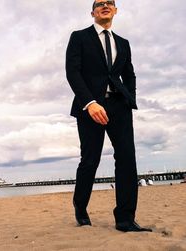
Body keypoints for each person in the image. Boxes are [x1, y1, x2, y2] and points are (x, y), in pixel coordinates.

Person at [65, 0, 152, 232]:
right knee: (90, 160)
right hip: (90, 107)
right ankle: (80, 207)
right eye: (100, 3)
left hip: (119, 106)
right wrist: (90, 103)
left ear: (115, 10)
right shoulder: (79, 37)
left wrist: (129, 98)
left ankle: (125, 219)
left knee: (126, 160)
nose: (105, 5)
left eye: (109, 3)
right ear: (92, 12)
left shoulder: (123, 43)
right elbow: (72, 72)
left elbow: (129, 74)